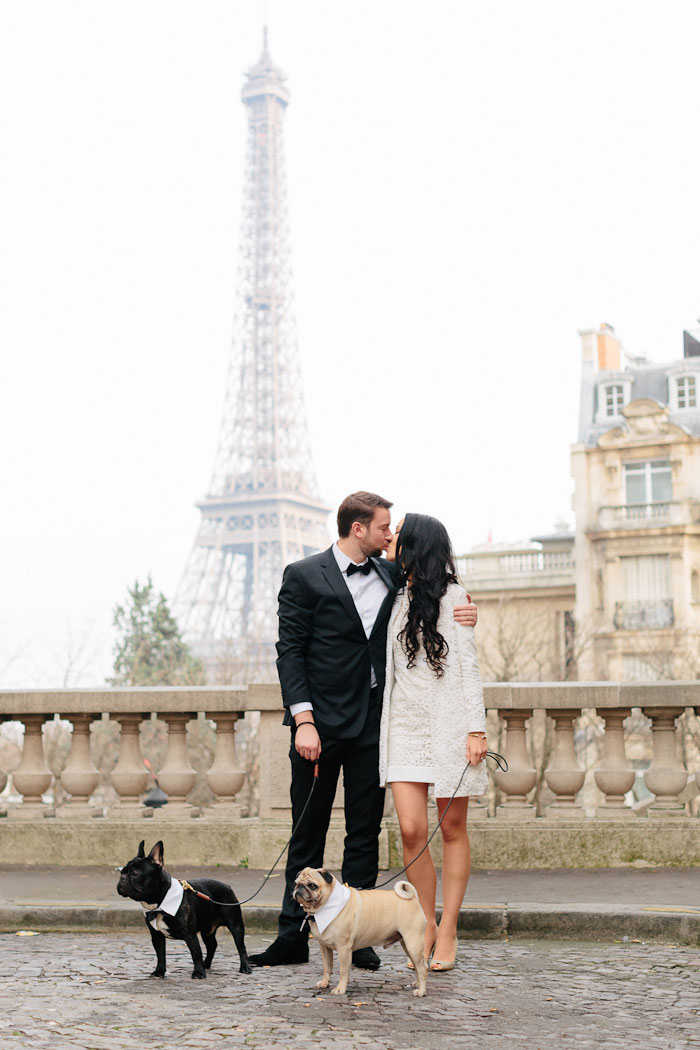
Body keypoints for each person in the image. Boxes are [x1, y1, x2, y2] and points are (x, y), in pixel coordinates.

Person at [249, 491, 477, 969]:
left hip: (375, 727)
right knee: (306, 831)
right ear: (359, 529)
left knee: (364, 835)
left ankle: (361, 936)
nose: (390, 535)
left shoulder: (394, 575)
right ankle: (292, 935)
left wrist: (468, 611)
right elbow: (289, 651)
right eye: (383, 527)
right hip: (319, 728)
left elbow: (436, 600)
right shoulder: (303, 575)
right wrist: (303, 720)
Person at [379, 513, 488, 973]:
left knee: (452, 830)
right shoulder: (389, 587)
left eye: (397, 531)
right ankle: (423, 923)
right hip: (403, 725)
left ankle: (449, 928)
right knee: (409, 831)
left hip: (448, 725)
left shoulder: (455, 597)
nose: (389, 536)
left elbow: (468, 667)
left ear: (414, 543)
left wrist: (475, 728)